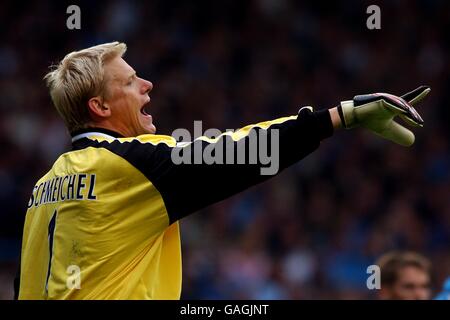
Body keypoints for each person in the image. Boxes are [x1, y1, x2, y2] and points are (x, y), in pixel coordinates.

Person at [15, 42, 430, 299]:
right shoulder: (129, 165)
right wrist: (342, 116)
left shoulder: (46, 186)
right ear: (100, 108)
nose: (147, 85)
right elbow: (242, 152)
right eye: (129, 82)